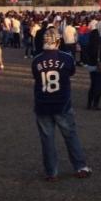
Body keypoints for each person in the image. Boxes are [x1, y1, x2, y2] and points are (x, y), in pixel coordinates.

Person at [32, 27, 92, 181]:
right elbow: (71, 72)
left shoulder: (37, 59)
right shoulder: (66, 58)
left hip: (42, 104)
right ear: (58, 41)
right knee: (70, 135)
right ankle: (80, 166)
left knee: (47, 140)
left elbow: (36, 76)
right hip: (62, 103)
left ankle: (51, 172)